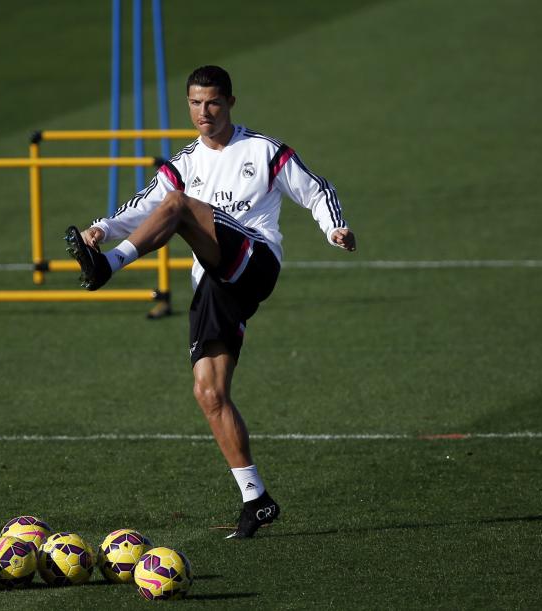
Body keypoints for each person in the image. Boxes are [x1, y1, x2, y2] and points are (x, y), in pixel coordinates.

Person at [64, 65, 356, 538]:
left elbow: (316, 190)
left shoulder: (263, 150)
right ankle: (256, 498)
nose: (204, 112)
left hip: (255, 259)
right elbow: (141, 206)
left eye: (213, 103)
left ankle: (109, 267)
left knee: (180, 206)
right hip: (216, 282)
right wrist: (100, 227)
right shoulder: (184, 162)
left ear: (231, 103)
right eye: (196, 103)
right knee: (209, 393)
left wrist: (333, 228)